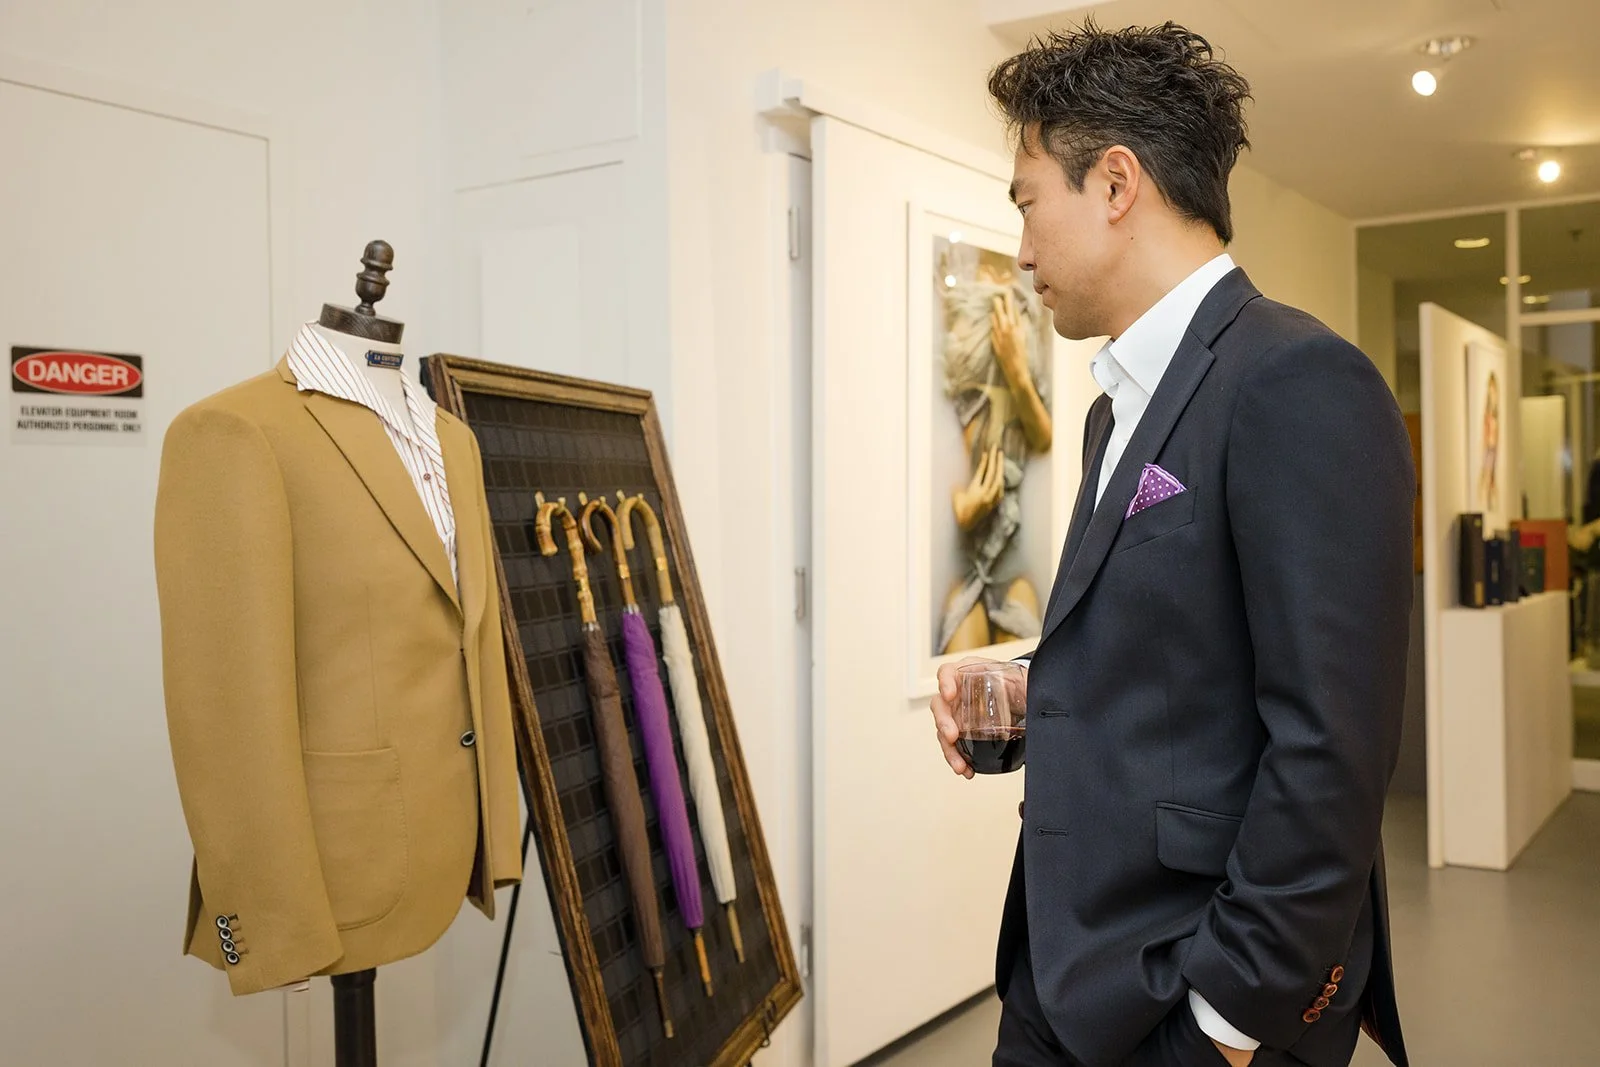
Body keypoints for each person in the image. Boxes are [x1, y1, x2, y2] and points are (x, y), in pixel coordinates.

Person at [929, 22, 1414, 1067]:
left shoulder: (1295, 382)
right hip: (1069, 968)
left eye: (1025, 203)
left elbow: (1334, 747)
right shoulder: (1118, 407)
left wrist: (1223, 1023)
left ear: (1114, 184)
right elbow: (1185, 653)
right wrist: (1029, 695)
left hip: (1191, 993)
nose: (1018, 249)